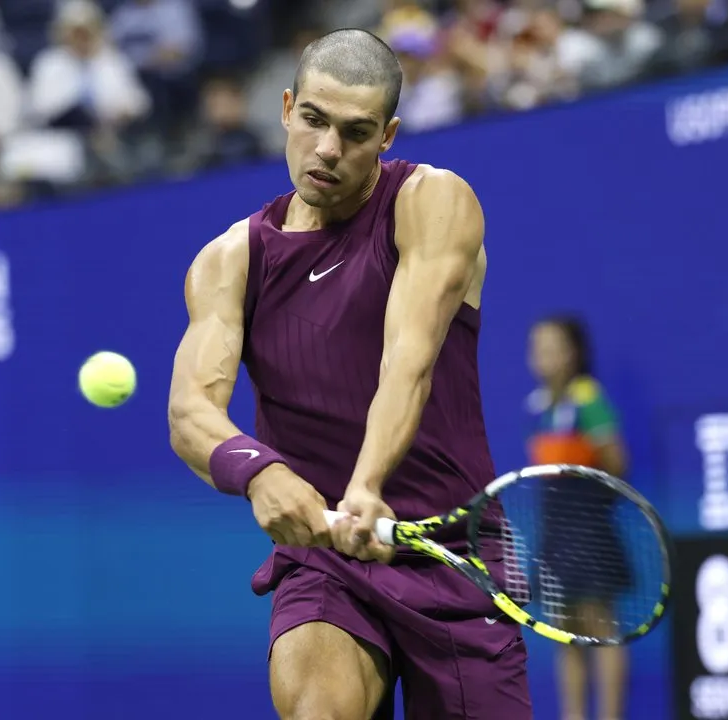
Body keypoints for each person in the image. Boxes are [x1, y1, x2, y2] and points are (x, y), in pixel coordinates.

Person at [168, 28, 532, 720]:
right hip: (324, 559)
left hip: (452, 554)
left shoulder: (433, 201)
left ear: (388, 134)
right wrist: (261, 472)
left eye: (356, 132)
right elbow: (191, 412)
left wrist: (367, 484)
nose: (328, 150)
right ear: (285, 107)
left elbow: (409, 357)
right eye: (313, 120)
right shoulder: (230, 260)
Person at [525, 315, 630, 720]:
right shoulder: (535, 407)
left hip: (591, 531)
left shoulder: (589, 400)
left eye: (552, 347)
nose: (541, 357)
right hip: (555, 534)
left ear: (573, 353)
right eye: (536, 348)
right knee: (564, 631)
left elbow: (617, 463)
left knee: (601, 628)